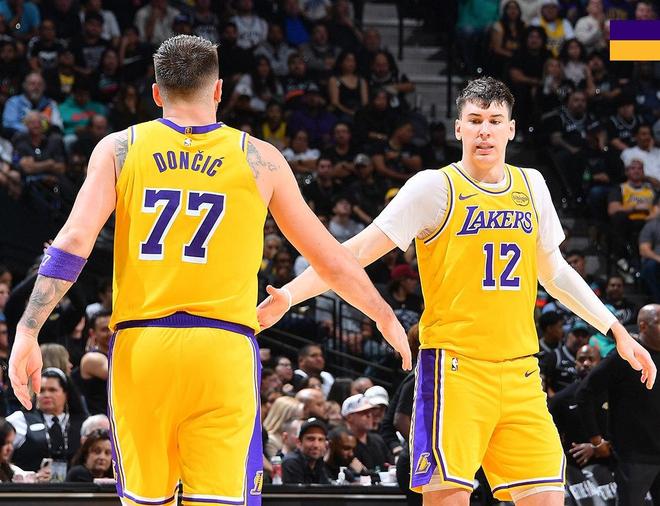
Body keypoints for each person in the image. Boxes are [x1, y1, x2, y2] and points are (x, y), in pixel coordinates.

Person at [8, 34, 410, 506]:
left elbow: (73, 242)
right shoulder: (260, 158)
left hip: (143, 350)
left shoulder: (120, 147)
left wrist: (28, 330)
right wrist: (383, 315)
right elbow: (331, 259)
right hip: (223, 350)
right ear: (218, 90)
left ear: (156, 93)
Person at [258, 76, 656, 504]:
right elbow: (354, 252)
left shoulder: (532, 184)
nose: (485, 130)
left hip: (521, 372)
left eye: (495, 120)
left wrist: (615, 328)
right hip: (454, 372)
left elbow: (554, 271)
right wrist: (291, 296)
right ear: (458, 128)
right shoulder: (434, 187)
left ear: (511, 129)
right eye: (475, 120)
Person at [577, 304, 660, 505]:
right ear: (643, 326)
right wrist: (596, 440)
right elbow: (584, 393)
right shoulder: (623, 356)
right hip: (634, 456)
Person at [282, 417, 330, 484]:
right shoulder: (291, 463)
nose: (316, 445)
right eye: (311, 439)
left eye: (320, 439)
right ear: (299, 442)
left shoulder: (319, 463)